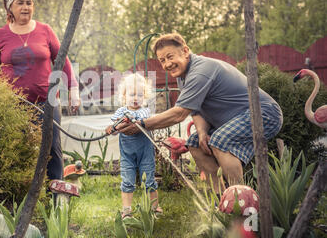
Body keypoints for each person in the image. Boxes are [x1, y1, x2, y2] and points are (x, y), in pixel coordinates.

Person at [117, 33, 283, 194]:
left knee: (220, 141)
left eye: (170, 56)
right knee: (195, 143)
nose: (167, 64)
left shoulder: (200, 71)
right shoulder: (184, 75)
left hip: (264, 113)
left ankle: (240, 202)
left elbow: (179, 114)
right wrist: (202, 132)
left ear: (185, 51)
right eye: (162, 60)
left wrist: (142, 124)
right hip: (237, 118)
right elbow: (195, 110)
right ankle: (220, 200)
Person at [0, 0, 80, 182]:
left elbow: (62, 59)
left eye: (29, 3)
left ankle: (55, 199)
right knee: (16, 149)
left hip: (47, 102)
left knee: (52, 149)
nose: (25, 7)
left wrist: (74, 89)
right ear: (10, 7)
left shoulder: (45, 30)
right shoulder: (1, 35)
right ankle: (21, 195)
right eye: (20, 3)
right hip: (12, 105)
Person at [105, 73, 162, 219]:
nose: (136, 98)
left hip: (145, 153)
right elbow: (115, 128)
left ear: (145, 96)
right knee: (127, 181)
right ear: (124, 96)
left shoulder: (145, 111)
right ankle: (127, 210)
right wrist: (112, 128)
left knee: (149, 180)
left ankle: (155, 207)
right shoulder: (120, 112)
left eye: (140, 95)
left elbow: (141, 120)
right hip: (127, 155)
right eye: (132, 94)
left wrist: (130, 120)